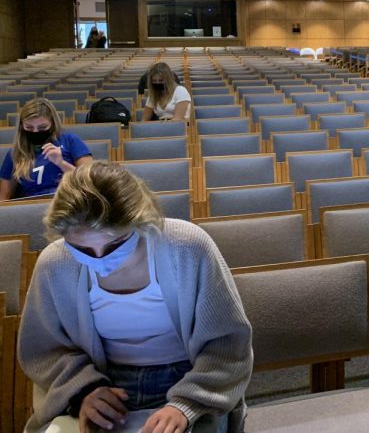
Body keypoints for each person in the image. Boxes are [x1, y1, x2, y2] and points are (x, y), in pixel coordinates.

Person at [17, 161, 253, 433]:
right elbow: (44, 350)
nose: (100, 260)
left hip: (188, 378)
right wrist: (83, 389)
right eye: (82, 248)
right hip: (103, 381)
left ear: (141, 224)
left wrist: (186, 403)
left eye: (115, 244)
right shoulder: (56, 262)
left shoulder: (186, 246)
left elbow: (228, 342)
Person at [0, 98, 92, 201]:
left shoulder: (70, 140)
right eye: (29, 128)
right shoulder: (15, 153)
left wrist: (61, 163)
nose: (35, 132)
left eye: (42, 128)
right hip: (31, 207)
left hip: (68, 201)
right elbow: (4, 198)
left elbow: (89, 182)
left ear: (52, 124)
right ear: (21, 127)